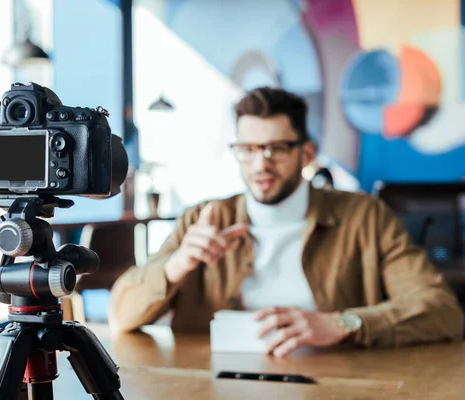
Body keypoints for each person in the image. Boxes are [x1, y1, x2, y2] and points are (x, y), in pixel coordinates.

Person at [108, 87, 464, 357]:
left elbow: (441, 310)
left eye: (276, 148)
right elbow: (120, 315)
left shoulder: (364, 217)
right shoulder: (201, 220)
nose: (260, 164)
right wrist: (176, 264)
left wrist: (345, 323)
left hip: (338, 382)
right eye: (247, 149)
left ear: (306, 153)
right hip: (213, 384)